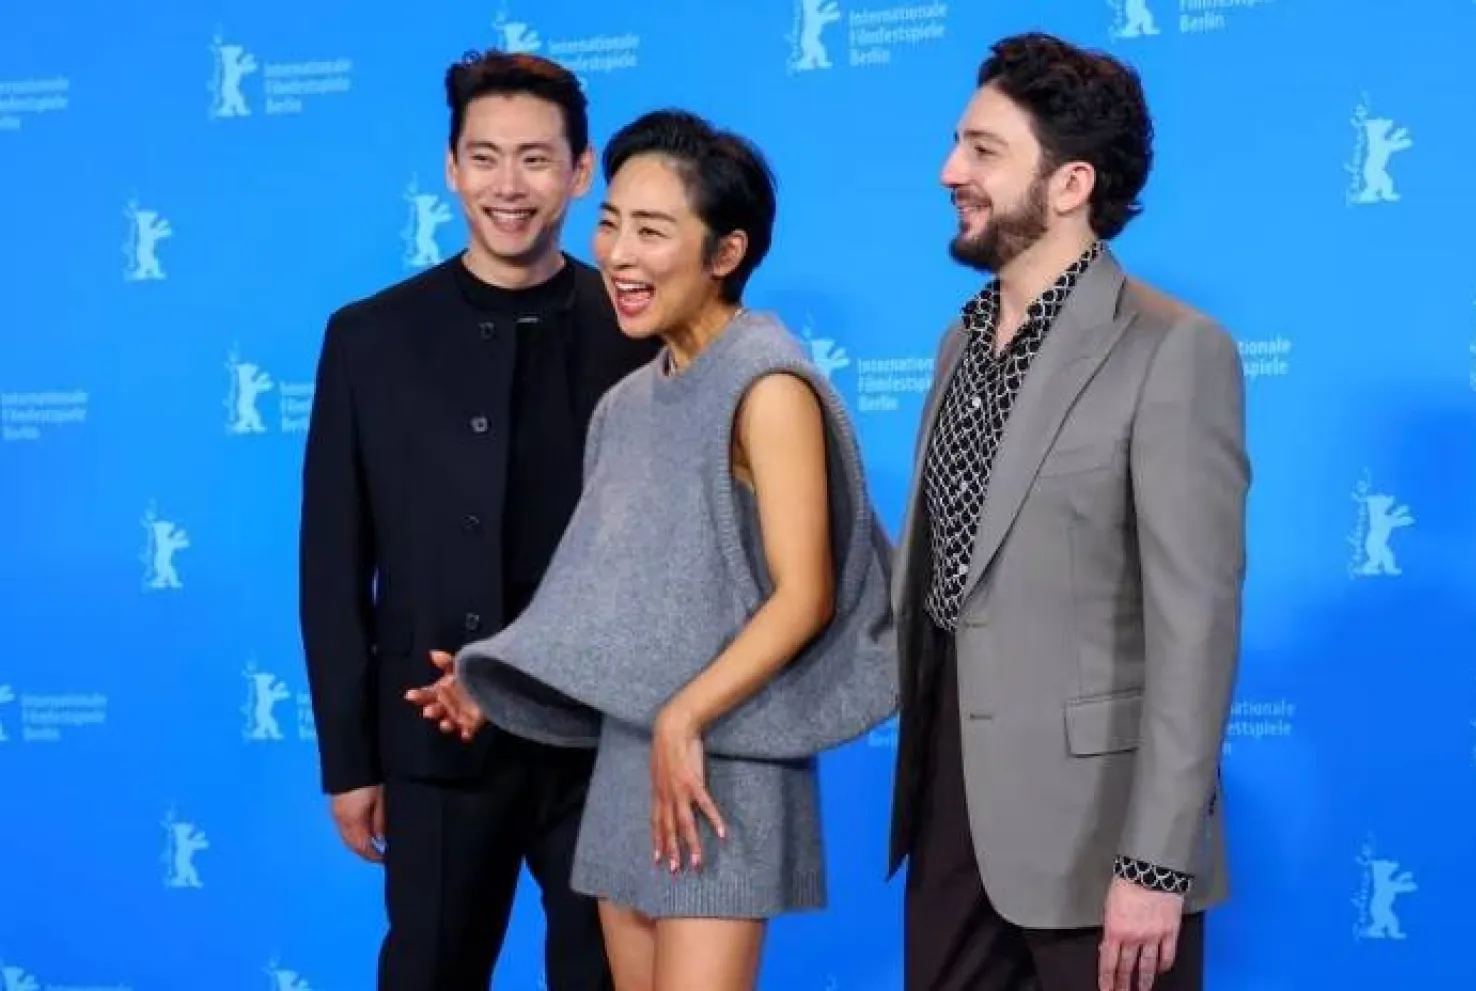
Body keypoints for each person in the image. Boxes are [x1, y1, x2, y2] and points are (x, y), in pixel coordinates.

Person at [407, 109, 898, 990]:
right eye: (612, 223)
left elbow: (806, 594)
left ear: (726, 254)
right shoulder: (626, 405)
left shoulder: (769, 381)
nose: (621, 257)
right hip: (629, 757)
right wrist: (494, 684)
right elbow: (599, 605)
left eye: (653, 231)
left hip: (724, 761)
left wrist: (686, 714)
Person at [886, 32, 1249, 991]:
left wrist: (1156, 862)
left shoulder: (1173, 349)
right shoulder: (954, 345)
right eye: (958, 144)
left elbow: (1195, 627)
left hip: (1102, 840)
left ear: (1070, 182)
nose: (948, 171)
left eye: (982, 150)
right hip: (950, 813)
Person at [298, 49, 658, 991]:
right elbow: (333, 567)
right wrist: (349, 759)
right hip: (434, 738)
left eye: (537, 159)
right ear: (452, 167)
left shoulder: (641, 334)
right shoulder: (368, 338)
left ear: (582, 173)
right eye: (486, 157)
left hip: (603, 745)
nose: (510, 186)